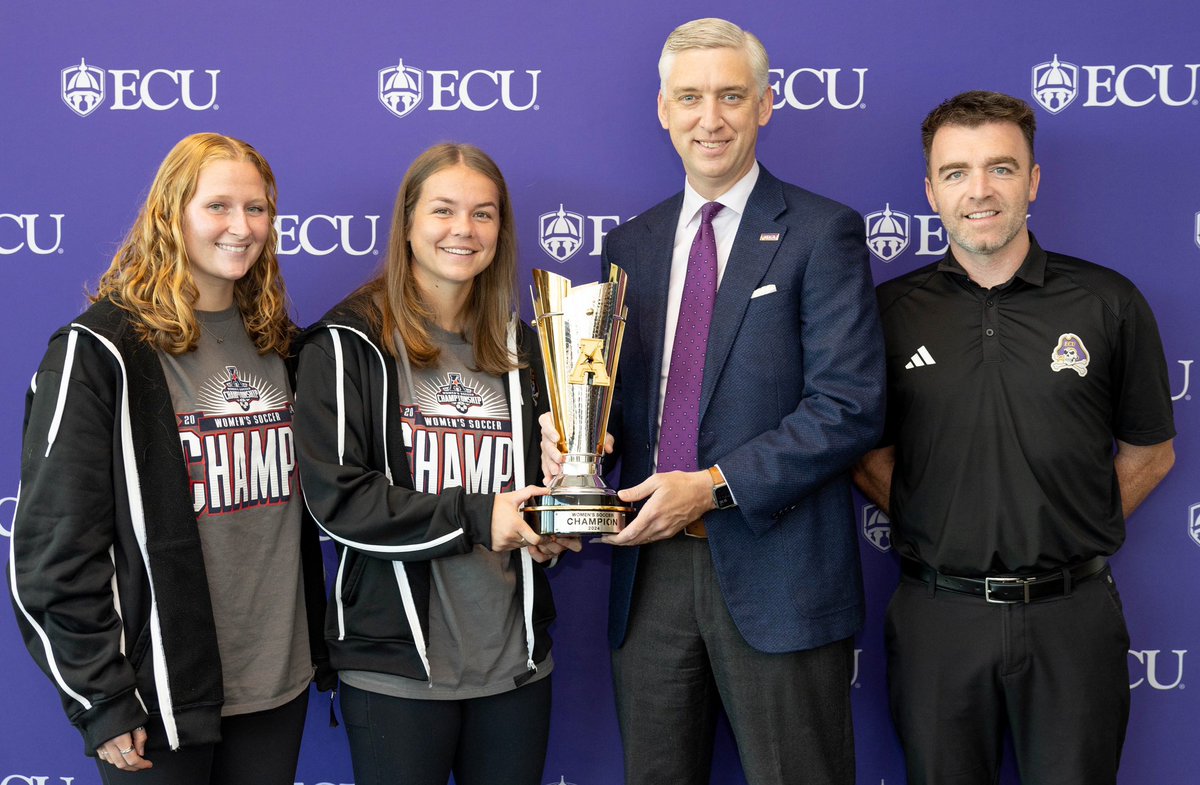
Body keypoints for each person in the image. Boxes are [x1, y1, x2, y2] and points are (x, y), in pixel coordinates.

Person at [542, 18, 885, 785]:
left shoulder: (822, 232)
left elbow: (849, 404)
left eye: (732, 96)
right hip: (651, 577)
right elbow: (622, 406)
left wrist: (713, 485)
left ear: (765, 105)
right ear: (663, 109)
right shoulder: (630, 245)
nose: (711, 117)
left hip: (780, 573)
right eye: (690, 97)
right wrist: (578, 439)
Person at [853, 90, 1176, 785]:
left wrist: (1064, 524)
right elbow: (865, 453)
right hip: (938, 617)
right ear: (930, 189)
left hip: (1073, 619)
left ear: (1032, 182)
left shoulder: (1108, 303)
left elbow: (1151, 454)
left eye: (1001, 169)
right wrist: (938, 521)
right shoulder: (886, 314)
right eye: (956, 171)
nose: (980, 191)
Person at [8, 133, 331, 784]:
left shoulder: (286, 349)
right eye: (218, 207)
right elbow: (50, 551)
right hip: (157, 696)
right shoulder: (100, 353)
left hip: (276, 683)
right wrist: (100, 694)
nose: (241, 227)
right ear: (171, 215)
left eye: (258, 208)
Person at [293, 143, 572, 785]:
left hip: (516, 665)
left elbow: (528, 496)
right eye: (443, 210)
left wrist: (551, 514)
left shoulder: (522, 346)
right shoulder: (348, 344)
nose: (463, 231)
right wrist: (481, 516)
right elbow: (340, 501)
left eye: (484, 214)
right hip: (397, 674)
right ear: (408, 224)